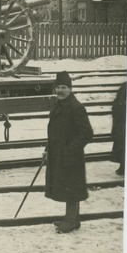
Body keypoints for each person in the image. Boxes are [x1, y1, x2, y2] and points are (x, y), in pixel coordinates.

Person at [44, 70, 94, 233]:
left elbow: (87, 133)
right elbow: (53, 131)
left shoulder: (76, 107)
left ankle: (70, 221)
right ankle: (74, 219)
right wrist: (47, 149)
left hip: (71, 155)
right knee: (69, 186)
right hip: (60, 154)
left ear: (70, 89)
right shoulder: (58, 105)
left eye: (64, 87)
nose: (60, 91)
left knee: (71, 188)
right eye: (57, 87)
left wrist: (70, 149)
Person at [110, 82, 127, 176]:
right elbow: (117, 103)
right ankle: (123, 166)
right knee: (123, 144)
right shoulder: (125, 86)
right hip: (123, 123)